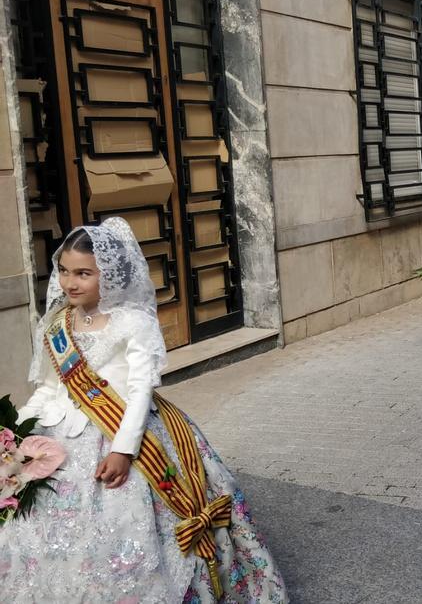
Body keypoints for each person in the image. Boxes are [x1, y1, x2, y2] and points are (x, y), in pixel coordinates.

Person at [4, 218, 287, 602]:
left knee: (122, 534)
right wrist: (15, 435)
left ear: (112, 274)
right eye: (65, 271)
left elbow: (140, 391)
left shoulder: (133, 323)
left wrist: (123, 450)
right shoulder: (57, 323)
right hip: (60, 438)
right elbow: (48, 389)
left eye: (84, 273)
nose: (71, 282)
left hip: (124, 434)